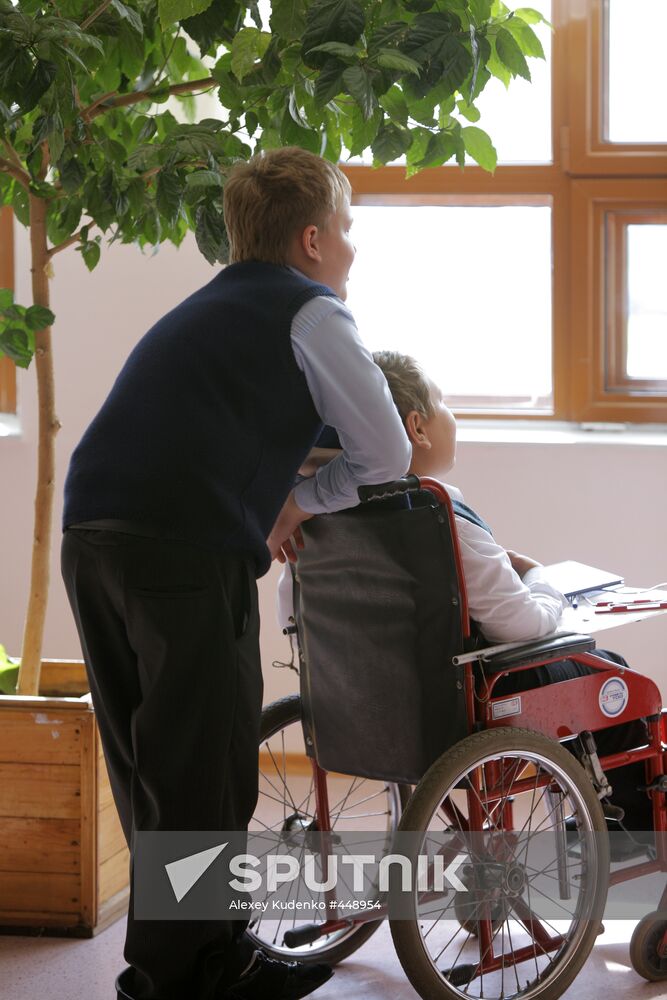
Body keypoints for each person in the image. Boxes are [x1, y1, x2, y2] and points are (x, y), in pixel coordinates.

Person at [60, 148, 411, 1000]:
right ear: (312, 238)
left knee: (156, 767)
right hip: (181, 551)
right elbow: (387, 451)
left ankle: (208, 959)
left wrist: (285, 487)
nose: (355, 250)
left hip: (93, 535)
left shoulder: (209, 309)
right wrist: (300, 503)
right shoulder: (313, 313)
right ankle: (175, 977)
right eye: (349, 231)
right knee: (203, 770)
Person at [282, 350, 654, 847]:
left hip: (358, 698)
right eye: (444, 403)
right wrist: (539, 577)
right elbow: (520, 626)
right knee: (623, 682)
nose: (451, 415)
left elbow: (295, 615)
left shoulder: (317, 512)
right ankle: (629, 836)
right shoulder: (436, 511)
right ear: (417, 426)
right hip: (463, 700)